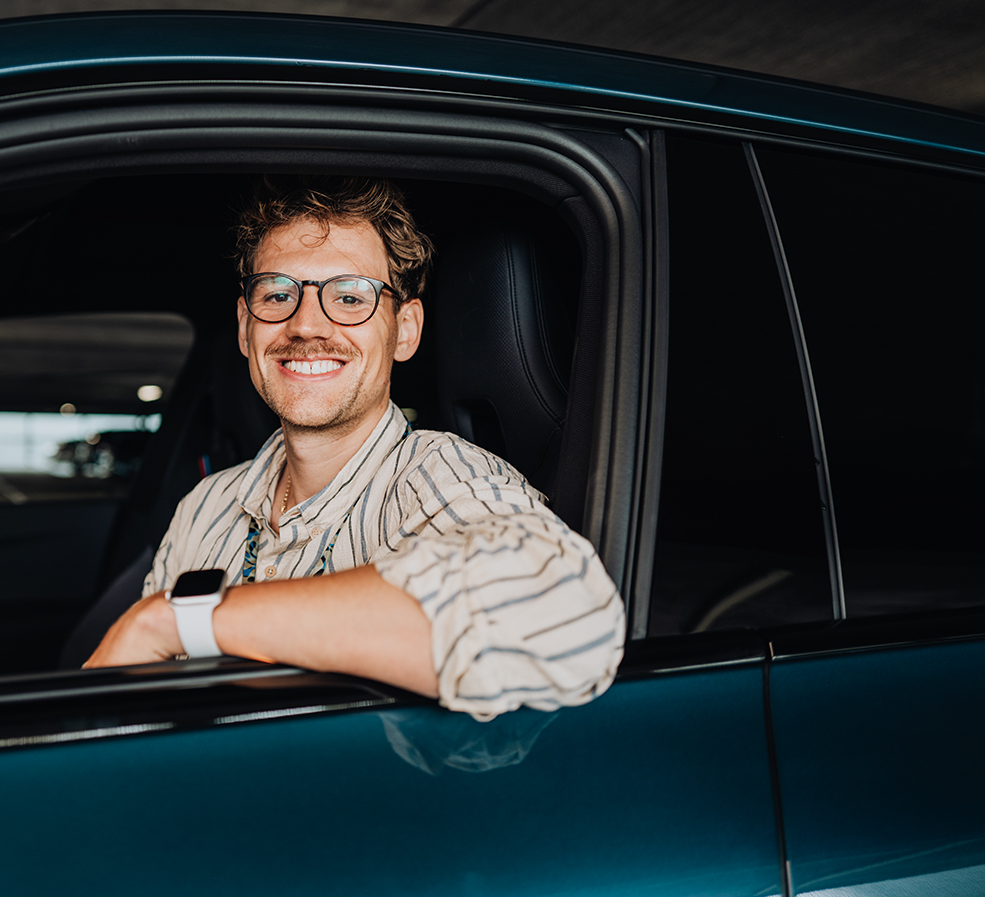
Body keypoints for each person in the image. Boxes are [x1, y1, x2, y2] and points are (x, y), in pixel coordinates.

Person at [84, 177, 624, 720]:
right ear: (247, 328)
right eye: (277, 294)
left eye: (349, 297)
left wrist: (179, 621)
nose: (307, 324)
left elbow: (561, 609)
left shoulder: (438, 474)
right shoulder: (205, 506)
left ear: (405, 330)